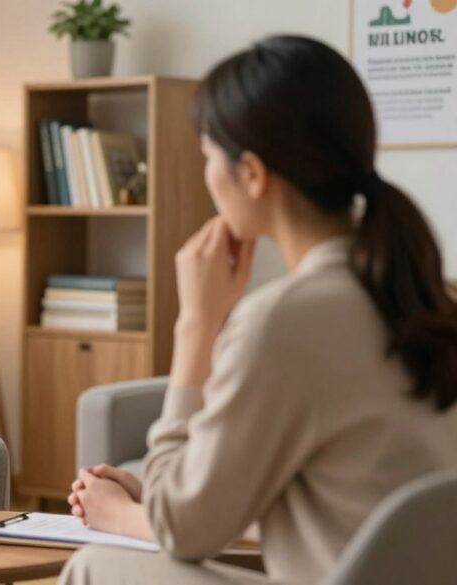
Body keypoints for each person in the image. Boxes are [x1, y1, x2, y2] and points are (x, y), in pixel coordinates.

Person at [63, 35, 457, 584]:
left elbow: (185, 530)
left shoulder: (282, 321)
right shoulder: (427, 297)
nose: (206, 175)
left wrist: (196, 324)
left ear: (250, 173)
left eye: (206, 156)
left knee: (94, 566)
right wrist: (156, 495)